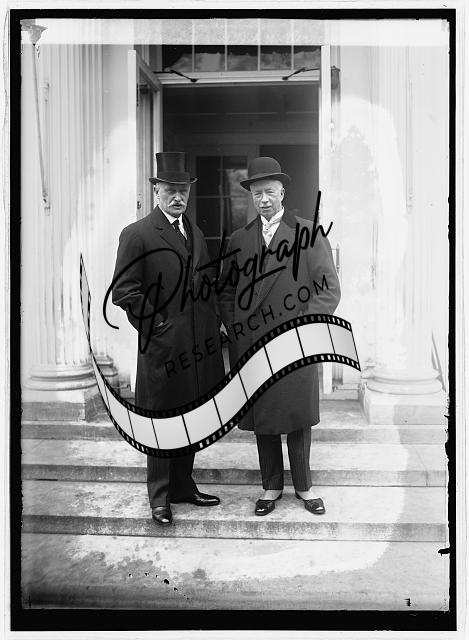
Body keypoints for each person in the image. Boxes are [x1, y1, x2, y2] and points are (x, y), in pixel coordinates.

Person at [219, 157, 341, 517]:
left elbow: (328, 290)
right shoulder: (239, 239)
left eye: (269, 192)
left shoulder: (308, 233)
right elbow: (225, 291)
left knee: (298, 417)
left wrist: (301, 328)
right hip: (254, 346)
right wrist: (237, 327)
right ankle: (271, 486)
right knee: (265, 418)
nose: (264, 199)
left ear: (282, 192)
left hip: (295, 343)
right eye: (257, 193)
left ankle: (304, 487)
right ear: (251, 197)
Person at [112, 152, 224, 526]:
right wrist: (157, 326)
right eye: (170, 190)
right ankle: (159, 497)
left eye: (183, 190)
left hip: (197, 348)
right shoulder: (137, 234)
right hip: (161, 349)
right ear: (156, 191)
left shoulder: (195, 233)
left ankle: (183, 487)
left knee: (190, 417)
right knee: (160, 421)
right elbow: (124, 291)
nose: (177, 197)